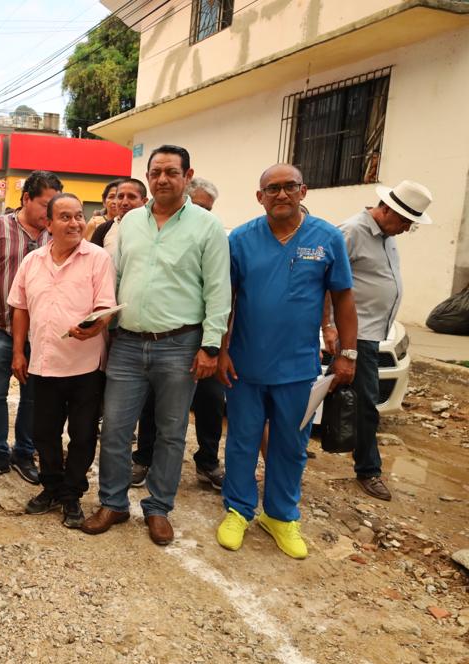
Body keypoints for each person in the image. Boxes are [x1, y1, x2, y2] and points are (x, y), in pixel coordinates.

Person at [82, 145, 230, 545]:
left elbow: (218, 290)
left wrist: (211, 347)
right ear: (147, 177)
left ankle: (158, 508)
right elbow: (112, 278)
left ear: (187, 175)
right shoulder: (129, 223)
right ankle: (112, 502)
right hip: (128, 343)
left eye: (171, 171)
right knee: (114, 428)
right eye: (155, 171)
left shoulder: (207, 226)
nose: (162, 178)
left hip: (180, 346)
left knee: (170, 432)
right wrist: (100, 320)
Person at [216, 164, 357, 559]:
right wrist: (223, 350)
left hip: (298, 368)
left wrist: (348, 352)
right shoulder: (242, 239)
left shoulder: (327, 238)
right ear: (259, 196)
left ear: (303, 191)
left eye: (288, 187)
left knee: (291, 445)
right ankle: (238, 510)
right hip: (245, 365)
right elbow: (227, 300)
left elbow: (344, 298)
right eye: (272, 189)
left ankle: (280, 516)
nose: (281, 194)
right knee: (243, 441)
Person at [9, 193, 115, 528]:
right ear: (49, 223)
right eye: (65, 217)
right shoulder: (32, 262)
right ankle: (51, 487)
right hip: (44, 363)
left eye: (79, 216)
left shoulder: (98, 258)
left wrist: (95, 325)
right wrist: (17, 352)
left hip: (85, 366)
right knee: (44, 433)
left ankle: (72, 495)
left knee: (83, 434)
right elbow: (20, 309)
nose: (75, 223)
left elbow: (106, 308)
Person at [329, 180, 433, 502]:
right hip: (355, 335)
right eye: (404, 221)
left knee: (347, 401)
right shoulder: (351, 231)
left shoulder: (387, 236)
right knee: (365, 406)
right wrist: (330, 330)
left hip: (374, 334)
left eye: (410, 224)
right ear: (387, 209)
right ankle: (368, 471)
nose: (405, 228)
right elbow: (325, 282)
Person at [0, 170, 64, 485]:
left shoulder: (56, 235)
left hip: (42, 337)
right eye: (45, 205)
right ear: (26, 199)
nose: (49, 213)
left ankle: (24, 452)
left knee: (33, 398)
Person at [132, 176, 225, 491]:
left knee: (210, 401)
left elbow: (220, 291)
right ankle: (143, 458)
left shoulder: (211, 232)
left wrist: (213, 345)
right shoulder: (153, 228)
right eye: (198, 206)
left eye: (207, 208)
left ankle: (208, 461)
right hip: (165, 338)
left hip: (203, 336)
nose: (202, 213)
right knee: (152, 402)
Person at [90, 178, 147, 259]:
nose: (124, 202)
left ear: (144, 201)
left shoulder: (152, 228)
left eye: (131, 197)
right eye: (120, 197)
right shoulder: (103, 229)